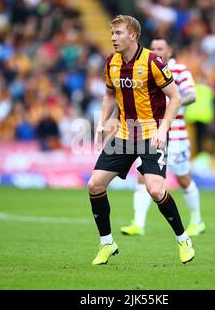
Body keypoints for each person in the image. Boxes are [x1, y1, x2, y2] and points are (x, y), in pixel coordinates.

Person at [88, 15, 195, 265]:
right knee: (94, 185)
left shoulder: (153, 61)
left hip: (151, 133)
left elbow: (176, 98)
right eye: (112, 33)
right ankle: (107, 243)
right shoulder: (111, 62)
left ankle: (183, 239)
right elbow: (109, 94)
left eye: (118, 33)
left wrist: (163, 128)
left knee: (155, 190)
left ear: (133, 36)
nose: (113, 38)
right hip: (125, 133)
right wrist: (103, 122)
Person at [120, 38, 206, 237]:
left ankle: (197, 221)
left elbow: (192, 95)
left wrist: (171, 103)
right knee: (143, 177)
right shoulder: (147, 69)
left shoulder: (180, 70)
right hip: (151, 135)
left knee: (183, 179)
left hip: (176, 136)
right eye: (154, 48)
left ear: (170, 51)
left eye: (161, 48)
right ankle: (138, 224)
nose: (157, 52)